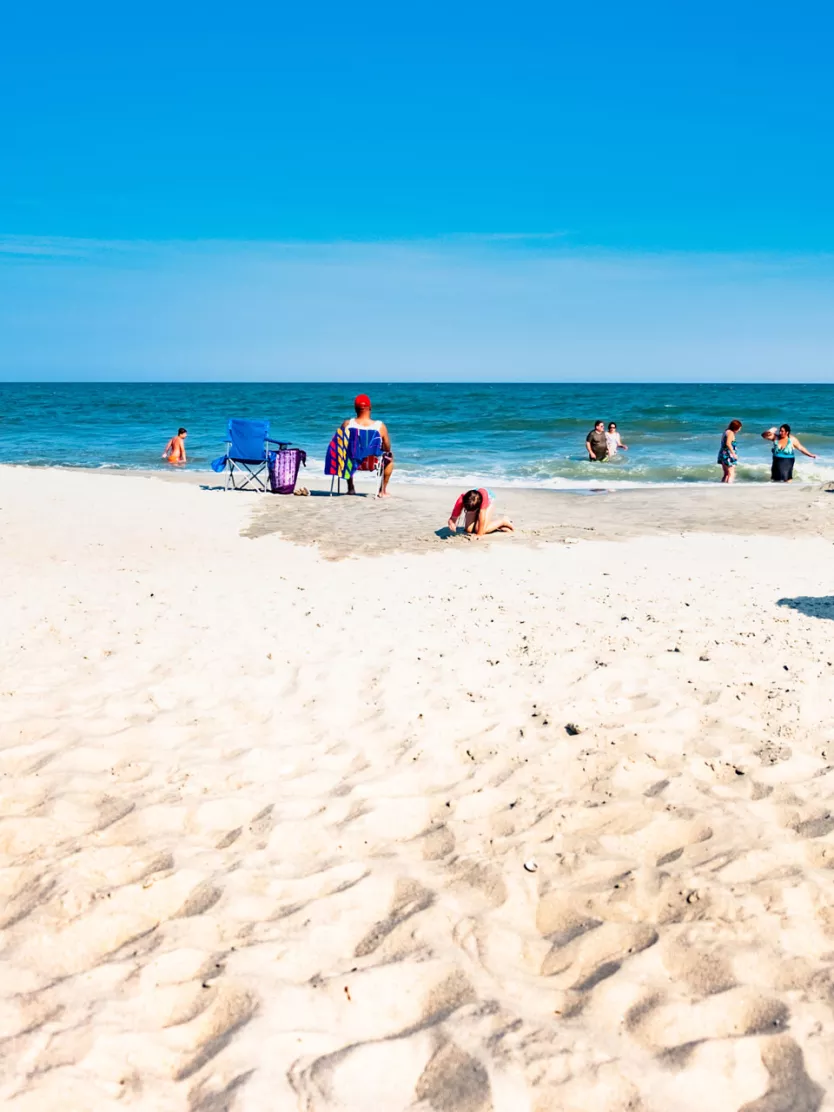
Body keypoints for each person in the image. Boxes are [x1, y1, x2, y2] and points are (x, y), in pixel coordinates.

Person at [341, 394, 394, 497]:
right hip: (372, 463)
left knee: (346, 453)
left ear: (355, 409)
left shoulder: (347, 424)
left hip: (352, 462)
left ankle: (350, 488)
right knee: (390, 457)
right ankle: (382, 491)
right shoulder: (380, 426)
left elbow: (340, 443)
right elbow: (387, 448)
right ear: (370, 408)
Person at [447, 488, 515, 538]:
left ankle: (503, 521)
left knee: (479, 529)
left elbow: (482, 518)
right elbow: (452, 518)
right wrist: (452, 523)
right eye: (466, 510)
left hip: (489, 501)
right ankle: (497, 526)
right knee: (469, 530)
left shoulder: (484, 499)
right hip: (473, 503)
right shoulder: (462, 500)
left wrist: (479, 534)